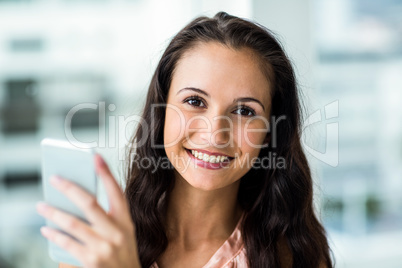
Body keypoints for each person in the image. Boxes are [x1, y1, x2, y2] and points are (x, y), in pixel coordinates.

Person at [37, 12, 333, 268]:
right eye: (195, 101)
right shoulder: (98, 247)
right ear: (162, 110)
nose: (215, 133)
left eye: (244, 111)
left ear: (270, 129)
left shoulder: (293, 257)